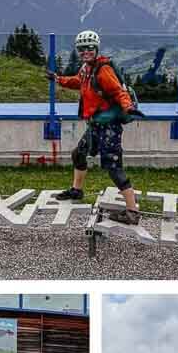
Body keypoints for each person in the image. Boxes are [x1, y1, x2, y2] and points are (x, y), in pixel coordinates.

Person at [46, 29, 144, 224]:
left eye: (89, 48)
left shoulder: (103, 70)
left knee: (114, 168)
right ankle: (77, 191)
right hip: (95, 125)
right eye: (81, 49)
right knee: (78, 154)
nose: (85, 52)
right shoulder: (86, 69)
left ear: (96, 48)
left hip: (109, 127)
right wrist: (58, 79)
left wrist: (128, 107)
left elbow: (118, 91)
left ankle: (132, 212)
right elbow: (77, 81)